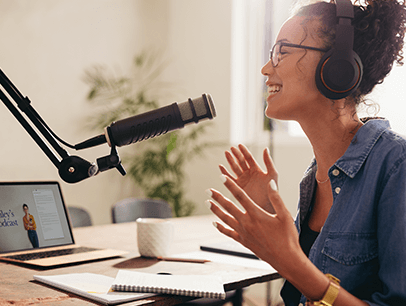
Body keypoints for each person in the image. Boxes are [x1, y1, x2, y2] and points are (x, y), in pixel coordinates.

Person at [206, 0, 406, 305]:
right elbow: (306, 281)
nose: (265, 68)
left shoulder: (396, 166)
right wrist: (272, 215)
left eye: (282, 51)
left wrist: (293, 263)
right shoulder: (316, 176)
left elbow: (307, 278)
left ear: (337, 68)